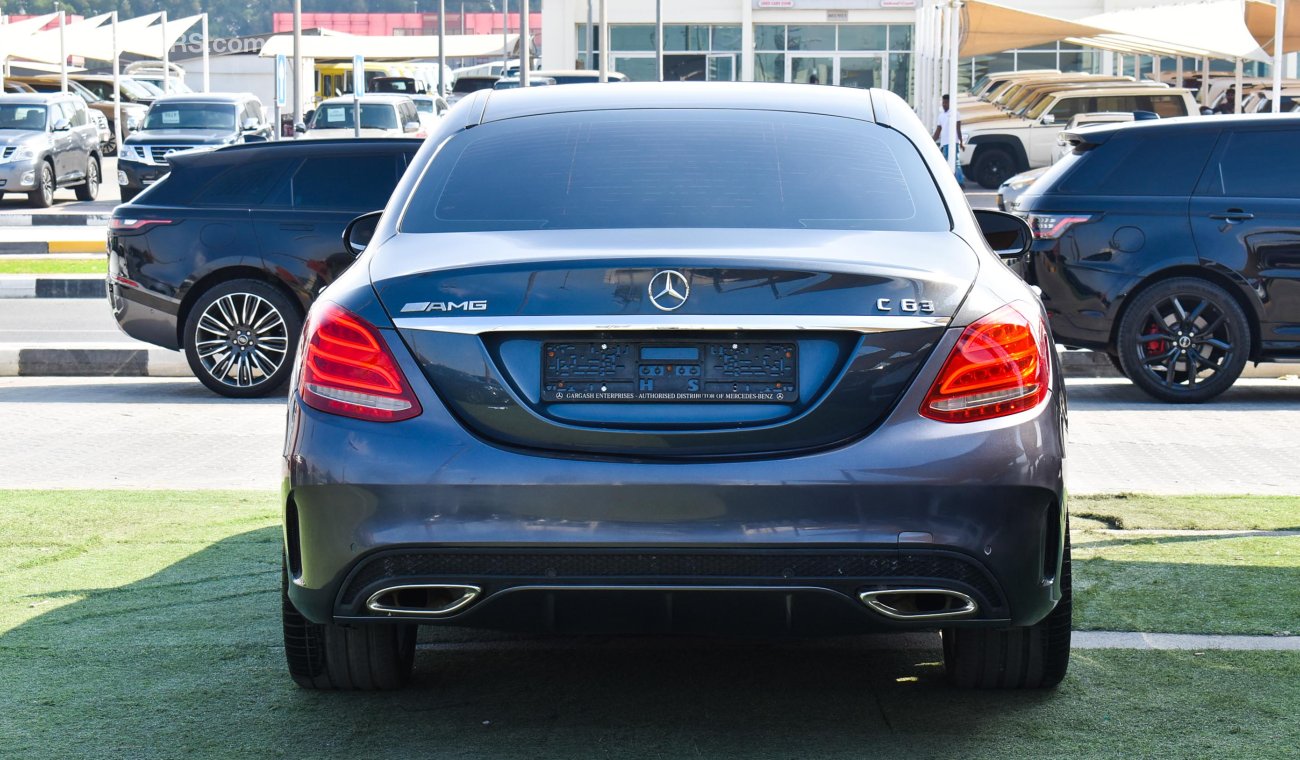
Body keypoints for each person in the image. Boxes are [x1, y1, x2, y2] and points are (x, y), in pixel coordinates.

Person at [932, 94, 965, 187]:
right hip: (944, 143)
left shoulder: (955, 113)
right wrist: (931, 141)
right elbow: (938, 131)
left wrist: (961, 142)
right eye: (943, 102)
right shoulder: (941, 116)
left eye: (946, 102)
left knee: (956, 162)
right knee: (947, 162)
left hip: (953, 142)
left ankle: (960, 182)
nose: (944, 104)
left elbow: (958, 129)